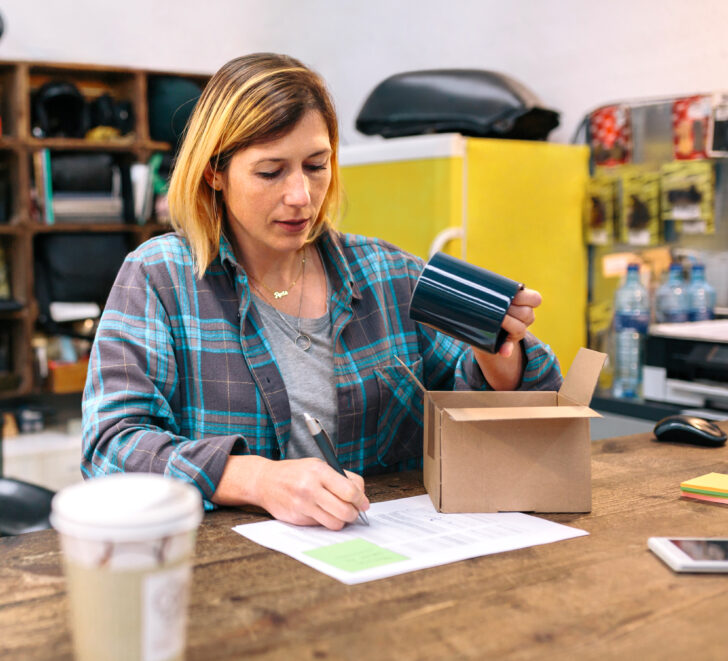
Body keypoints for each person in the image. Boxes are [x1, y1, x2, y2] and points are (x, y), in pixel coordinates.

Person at [82, 53, 562, 530]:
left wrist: (500, 358)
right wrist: (256, 480)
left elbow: (524, 410)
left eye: (316, 165)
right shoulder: (160, 277)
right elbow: (109, 446)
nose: (300, 196)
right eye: (270, 172)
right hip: (230, 577)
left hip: (385, 561)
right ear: (215, 173)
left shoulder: (386, 272)